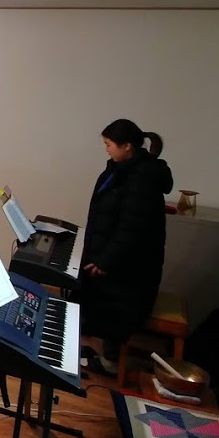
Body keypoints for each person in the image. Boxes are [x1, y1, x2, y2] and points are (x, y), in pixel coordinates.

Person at [78, 119, 173, 375]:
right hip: (119, 260)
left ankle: (109, 360)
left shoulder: (142, 178)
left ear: (127, 146)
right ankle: (90, 345)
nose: (106, 149)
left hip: (131, 270)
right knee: (81, 282)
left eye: (109, 144)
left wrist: (105, 261)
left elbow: (131, 230)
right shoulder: (123, 169)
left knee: (105, 298)